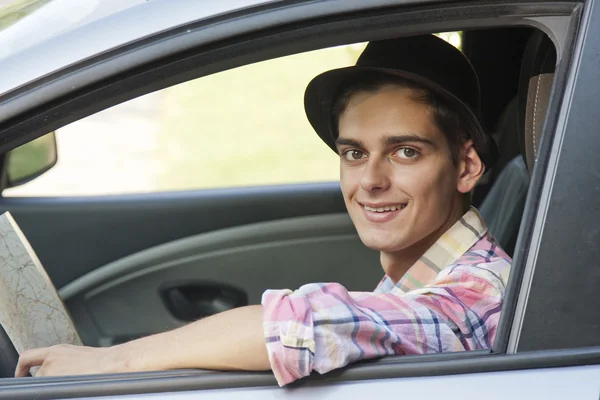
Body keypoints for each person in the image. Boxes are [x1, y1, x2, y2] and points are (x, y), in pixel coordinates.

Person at [15, 34, 511, 386]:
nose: (371, 181)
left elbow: (305, 325)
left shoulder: (479, 294)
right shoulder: (421, 281)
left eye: (405, 151)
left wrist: (109, 365)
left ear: (466, 166)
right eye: (354, 153)